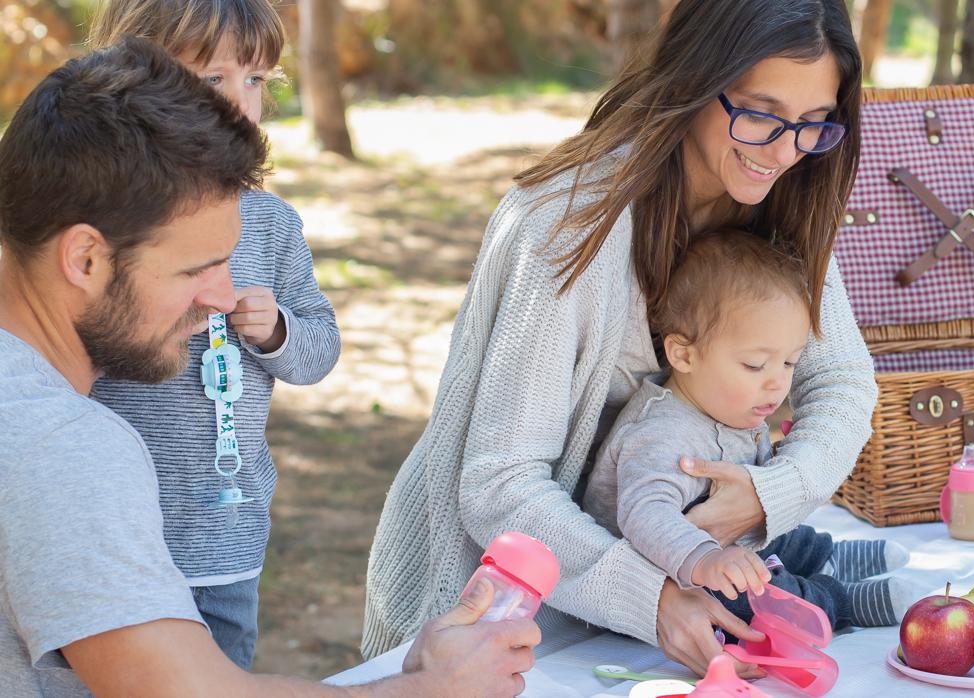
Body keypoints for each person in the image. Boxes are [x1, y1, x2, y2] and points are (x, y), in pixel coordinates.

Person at [0, 38, 536, 697]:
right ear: (85, 259)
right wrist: (429, 690)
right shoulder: (63, 445)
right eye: (197, 269)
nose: (224, 298)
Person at [365, 0, 878, 677]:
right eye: (759, 113)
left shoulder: (789, 201)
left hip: (654, 619)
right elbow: (501, 482)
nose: (785, 151)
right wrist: (655, 597)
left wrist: (771, 493)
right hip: (493, 619)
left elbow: (842, 382)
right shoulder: (563, 227)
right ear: (694, 79)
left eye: (813, 124)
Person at [87, 0, 340, 669]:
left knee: (223, 679)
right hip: (118, 540)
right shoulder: (104, 219)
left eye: (255, 79)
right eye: (214, 78)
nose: (239, 102)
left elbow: (320, 349)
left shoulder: (271, 224)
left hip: (229, 535)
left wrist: (278, 330)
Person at [583, 229, 915, 631]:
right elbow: (644, 514)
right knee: (755, 592)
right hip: (673, 571)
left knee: (774, 525)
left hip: (728, 541)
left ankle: (822, 555)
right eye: (756, 365)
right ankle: (838, 603)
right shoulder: (662, 435)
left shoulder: (726, 402)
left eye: (789, 363)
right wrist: (705, 558)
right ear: (683, 354)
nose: (777, 383)